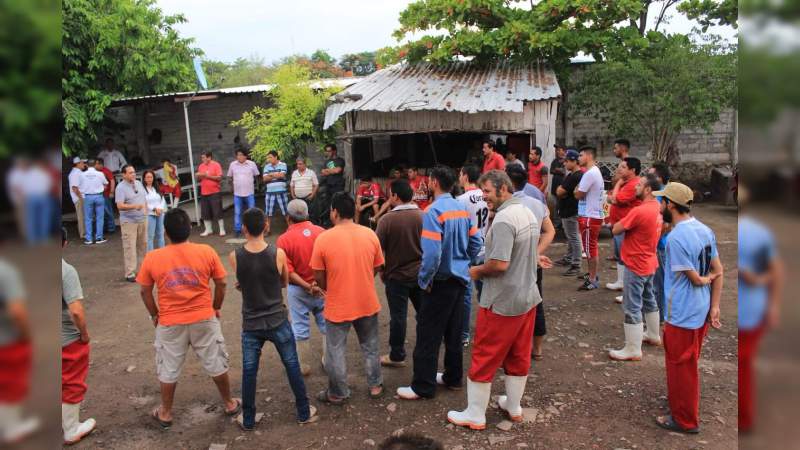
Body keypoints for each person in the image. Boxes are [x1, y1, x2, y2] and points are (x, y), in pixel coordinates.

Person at [447, 170, 544, 430]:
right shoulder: (526, 212)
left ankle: (475, 414)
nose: (484, 197)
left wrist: (473, 271)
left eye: (488, 191)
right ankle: (513, 407)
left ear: (503, 188)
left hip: (502, 301)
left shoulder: (503, 219)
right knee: (519, 354)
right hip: (527, 297)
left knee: (485, 355)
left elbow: (499, 264)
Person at [137, 208, 240, 429]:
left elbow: (145, 291)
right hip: (204, 316)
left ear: (165, 232)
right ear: (190, 229)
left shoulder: (153, 257)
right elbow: (221, 283)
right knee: (215, 360)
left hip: (170, 321)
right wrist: (216, 307)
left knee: (168, 367)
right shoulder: (206, 251)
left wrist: (155, 314)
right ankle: (230, 403)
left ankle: (165, 413)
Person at [396, 166, 481, 401]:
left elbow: (431, 255)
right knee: (454, 333)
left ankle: (422, 386)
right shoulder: (461, 208)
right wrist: (465, 262)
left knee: (428, 334)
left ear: (433, 182)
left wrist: (425, 280)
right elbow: (476, 240)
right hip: (460, 280)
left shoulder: (433, 212)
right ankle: (453, 378)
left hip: (440, 282)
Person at [229, 208, 318, 430]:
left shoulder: (235, 256)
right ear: (266, 226)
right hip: (277, 318)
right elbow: (284, 282)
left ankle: (248, 419)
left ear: (244, 228)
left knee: (249, 371)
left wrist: (244, 285)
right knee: (291, 364)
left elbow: (244, 282)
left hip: (251, 322)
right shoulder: (277, 253)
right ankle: (304, 412)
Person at [652, 182, 724, 434]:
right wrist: (714, 306)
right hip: (701, 307)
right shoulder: (704, 230)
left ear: (670, 204)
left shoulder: (676, 238)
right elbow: (719, 270)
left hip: (683, 311)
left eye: (662, 201)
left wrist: (703, 281)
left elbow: (695, 278)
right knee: (688, 361)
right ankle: (680, 402)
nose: (659, 205)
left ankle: (684, 419)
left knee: (681, 364)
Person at [311, 192, 385, 404]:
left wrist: (327, 287)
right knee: (370, 346)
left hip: (338, 304)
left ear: (334, 212)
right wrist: (363, 279)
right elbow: (377, 266)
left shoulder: (323, 238)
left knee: (335, 351)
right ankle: (375, 385)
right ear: (353, 211)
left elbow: (318, 274)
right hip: (366, 300)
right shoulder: (370, 234)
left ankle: (338, 392)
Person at [737, 184, 784, 433]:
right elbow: (776, 270)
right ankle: (744, 416)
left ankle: (744, 417)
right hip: (753, 308)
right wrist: (773, 303)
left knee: (743, 366)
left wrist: (757, 281)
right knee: (744, 364)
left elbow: (774, 270)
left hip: (748, 309)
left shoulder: (754, 233)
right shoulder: (760, 232)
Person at [608, 174, 663, 361]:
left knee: (632, 306)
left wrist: (617, 221)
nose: (635, 187)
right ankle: (654, 335)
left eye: (639, 185)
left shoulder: (639, 211)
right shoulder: (657, 207)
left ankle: (633, 348)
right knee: (649, 299)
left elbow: (616, 229)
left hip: (635, 262)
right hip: (650, 261)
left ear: (648, 189)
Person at [505, 165, 555, 360]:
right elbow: (550, 231)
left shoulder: (507, 205)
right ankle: (537, 349)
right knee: (536, 301)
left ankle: (515, 348)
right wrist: (535, 253)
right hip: (534, 262)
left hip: (511, 262)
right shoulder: (537, 203)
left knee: (511, 304)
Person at [375, 179, 424, 367]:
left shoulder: (387, 220)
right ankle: (425, 346)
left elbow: (378, 251)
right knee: (424, 313)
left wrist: (382, 270)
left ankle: (397, 355)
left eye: (390, 194)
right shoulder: (423, 216)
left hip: (396, 277)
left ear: (395, 196)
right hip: (421, 274)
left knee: (398, 317)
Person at [276, 200, 327, 376]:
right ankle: (329, 362)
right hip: (323, 287)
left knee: (299, 329)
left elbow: (288, 273)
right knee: (327, 324)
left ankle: (303, 366)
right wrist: (316, 285)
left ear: (288, 218)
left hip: (299, 290)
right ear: (307, 214)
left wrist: (306, 286)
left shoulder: (283, 239)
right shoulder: (322, 232)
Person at [0, 256, 39, 444]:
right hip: (6, 340)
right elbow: (17, 311)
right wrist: (26, 335)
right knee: (11, 385)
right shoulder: (5, 272)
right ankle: (11, 428)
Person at [61, 235, 96, 444]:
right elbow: (76, 311)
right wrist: (84, 334)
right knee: (72, 382)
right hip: (65, 338)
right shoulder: (65, 270)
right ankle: (71, 429)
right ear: (65, 243)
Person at [455, 164, 489, 346]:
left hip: (467, 250)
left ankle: (464, 335)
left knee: (466, 295)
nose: (459, 177)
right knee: (485, 293)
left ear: (466, 176)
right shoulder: (486, 195)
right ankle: (487, 330)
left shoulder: (461, 200)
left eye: (460, 174)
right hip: (485, 248)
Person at [606, 157, 643, 297]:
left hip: (627, 226)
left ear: (632, 170)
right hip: (619, 224)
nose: (619, 169)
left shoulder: (633, 184)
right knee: (620, 256)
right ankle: (621, 282)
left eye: (623, 167)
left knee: (627, 257)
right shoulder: (625, 183)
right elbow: (610, 198)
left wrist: (618, 185)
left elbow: (615, 199)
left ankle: (628, 291)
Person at [574, 146, 605, 291]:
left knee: (590, 250)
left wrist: (577, 189)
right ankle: (591, 275)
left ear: (588, 156)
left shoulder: (589, 174)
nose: (578, 158)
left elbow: (578, 194)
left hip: (589, 217)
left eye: (580, 155)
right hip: (592, 216)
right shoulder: (594, 171)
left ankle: (592, 279)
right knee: (590, 248)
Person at [115, 165, 148, 282]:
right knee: (130, 247)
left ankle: (143, 270)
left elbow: (144, 198)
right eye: (130, 173)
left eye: (134, 172)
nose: (133, 175)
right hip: (129, 222)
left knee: (143, 245)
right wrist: (134, 206)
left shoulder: (138, 183)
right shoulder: (120, 188)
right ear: (123, 175)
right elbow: (119, 206)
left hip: (142, 219)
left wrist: (146, 211)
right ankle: (130, 273)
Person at [648, 162, 671, 321]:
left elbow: (667, 224)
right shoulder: (657, 193)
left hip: (660, 245)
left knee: (660, 283)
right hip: (654, 245)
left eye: (651, 175)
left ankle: (660, 316)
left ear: (660, 178)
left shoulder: (665, 195)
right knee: (653, 282)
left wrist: (654, 240)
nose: (647, 178)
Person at [555, 149, 584, 276]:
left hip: (571, 210)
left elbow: (560, 192)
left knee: (574, 237)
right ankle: (569, 258)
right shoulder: (571, 175)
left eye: (567, 161)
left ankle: (576, 264)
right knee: (571, 236)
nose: (564, 164)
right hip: (568, 209)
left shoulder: (576, 176)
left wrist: (561, 190)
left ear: (574, 161)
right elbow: (560, 190)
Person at [227, 150, 260, 238]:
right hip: (237, 193)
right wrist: (231, 187)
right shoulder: (233, 164)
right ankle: (237, 230)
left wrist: (257, 187)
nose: (239, 157)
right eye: (238, 155)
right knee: (237, 212)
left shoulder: (252, 164)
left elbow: (257, 176)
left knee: (252, 212)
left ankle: (252, 229)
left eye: (241, 155)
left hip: (249, 192)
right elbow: (230, 177)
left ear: (246, 156)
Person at [78, 158, 108, 245]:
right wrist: (101, 189)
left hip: (87, 197)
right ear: (96, 164)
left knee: (88, 218)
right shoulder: (100, 174)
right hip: (99, 196)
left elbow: (79, 186)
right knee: (100, 218)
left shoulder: (82, 175)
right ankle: (99, 237)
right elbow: (106, 184)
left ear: (86, 165)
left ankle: (89, 239)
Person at [196, 151, 226, 237]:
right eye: (202, 158)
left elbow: (220, 178)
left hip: (215, 192)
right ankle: (208, 230)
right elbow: (199, 180)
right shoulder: (201, 166)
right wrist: (198, 176)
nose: (203, 159)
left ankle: (222, 229)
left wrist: (207, 176)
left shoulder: (216, 165)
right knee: (205, 212)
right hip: (204, 192)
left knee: (217, 211)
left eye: (204, 157)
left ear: (209, 157)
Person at [262, 151, 289, 233]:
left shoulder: (283, 164)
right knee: (268, 212)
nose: (269, 159)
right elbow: (264, 179)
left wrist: (270, 175)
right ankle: (268, 230)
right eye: (268, 157)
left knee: (286, 211)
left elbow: (282, 175)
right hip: (269, 192)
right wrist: (276, 174)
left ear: (276, 157)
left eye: (270, 157)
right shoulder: (266, 166)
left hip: (281, 191)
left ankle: (291, 228)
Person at [142, 170, 166, 252]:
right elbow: (144, 202)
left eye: (151, 177)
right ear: (144, 179)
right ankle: (150, 255)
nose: (149, 179)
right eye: (147, 177)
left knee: (161, 234)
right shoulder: (143, 190)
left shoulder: (156, 187)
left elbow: (162, 199)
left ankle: (162, 252)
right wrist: (154, 209)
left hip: (160, 213)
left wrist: (160, 209)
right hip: (150, 214)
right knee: (150, 236)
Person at [95, 159, 117, 236]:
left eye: (96, 164)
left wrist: (111, 192)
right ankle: (104, 228)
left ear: (101, 164)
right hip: (99, 194)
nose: (95, 166)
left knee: (108, 211)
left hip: (106, 194)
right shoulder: (95, 171)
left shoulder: (106, 171)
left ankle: (111, 228)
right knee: (101, 212)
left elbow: (112, 181)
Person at [68, 157, 87, 241]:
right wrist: (81, 198)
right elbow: (75, 188)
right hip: (79, 198)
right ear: (78, 163)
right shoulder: (75, 173)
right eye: (83, 163)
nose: (84, 164)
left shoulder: (77, 172)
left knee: (83, 216)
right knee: (81, 216)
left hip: (80, 197)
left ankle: (84, 232)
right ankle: (83, 234)